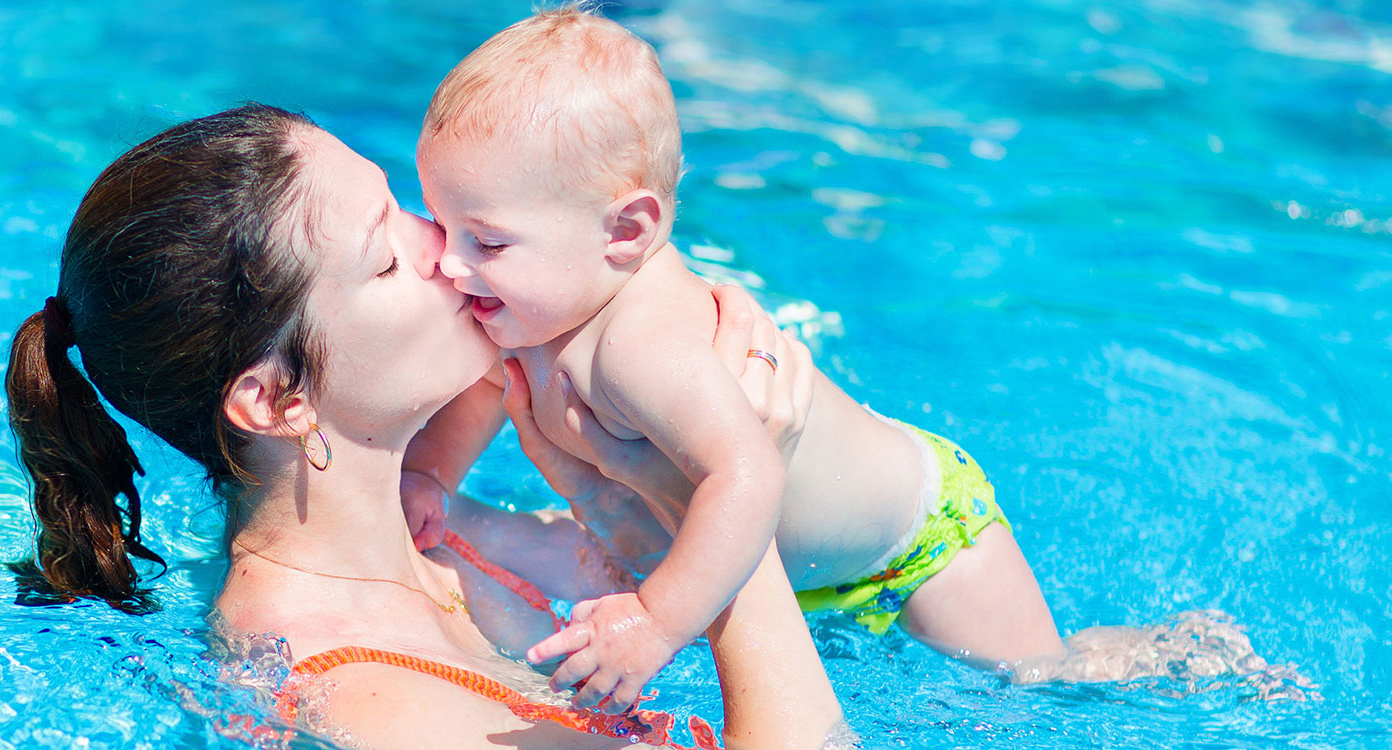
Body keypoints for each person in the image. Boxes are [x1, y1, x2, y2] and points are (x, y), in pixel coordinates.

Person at [2, 103, 845, 748]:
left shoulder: (431, 532)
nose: (445, 247)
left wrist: (673, 435)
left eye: (400, 203)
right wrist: (734, 491)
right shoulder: (364, 701)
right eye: (387, 258)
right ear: (279, 400)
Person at [398, 8, 1068, 711]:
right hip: (796, 572)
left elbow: (747, 476)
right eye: (441, 225)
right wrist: (429, 475)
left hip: (923, 549)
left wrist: (655, 622)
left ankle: (1169, 652)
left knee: (1049, 693)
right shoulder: (539, 298)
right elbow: (481, 389)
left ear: (625, 232)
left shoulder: (640, 345)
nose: (449, 262)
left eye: (488, 243)